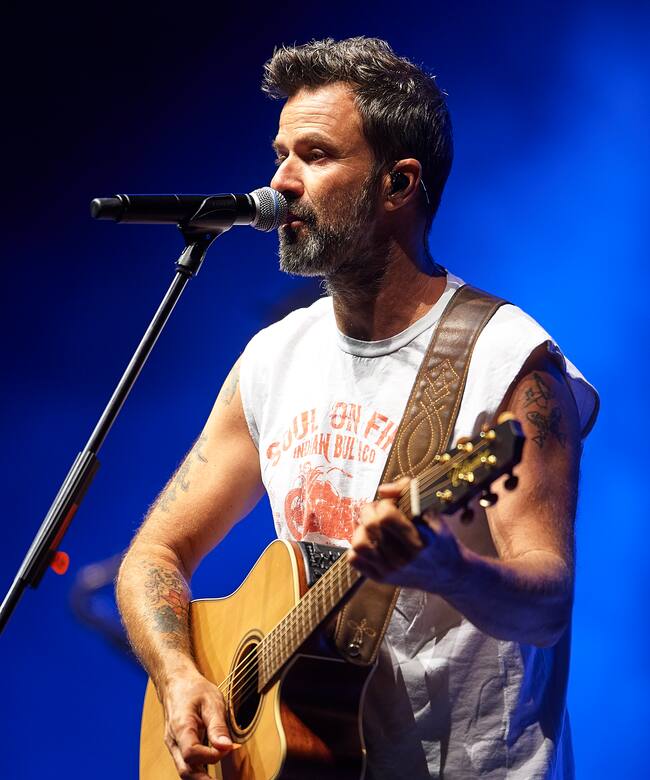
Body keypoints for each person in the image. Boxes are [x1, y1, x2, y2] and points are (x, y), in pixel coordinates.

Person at [116, 37, 598, 779]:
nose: (281, 181)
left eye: (314, 156)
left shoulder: (508, 360)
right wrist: (179, 675)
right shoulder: (273, 358)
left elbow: (548, 606)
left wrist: (449, 569)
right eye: (281, 154)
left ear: (398, 183)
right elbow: (153, 554)